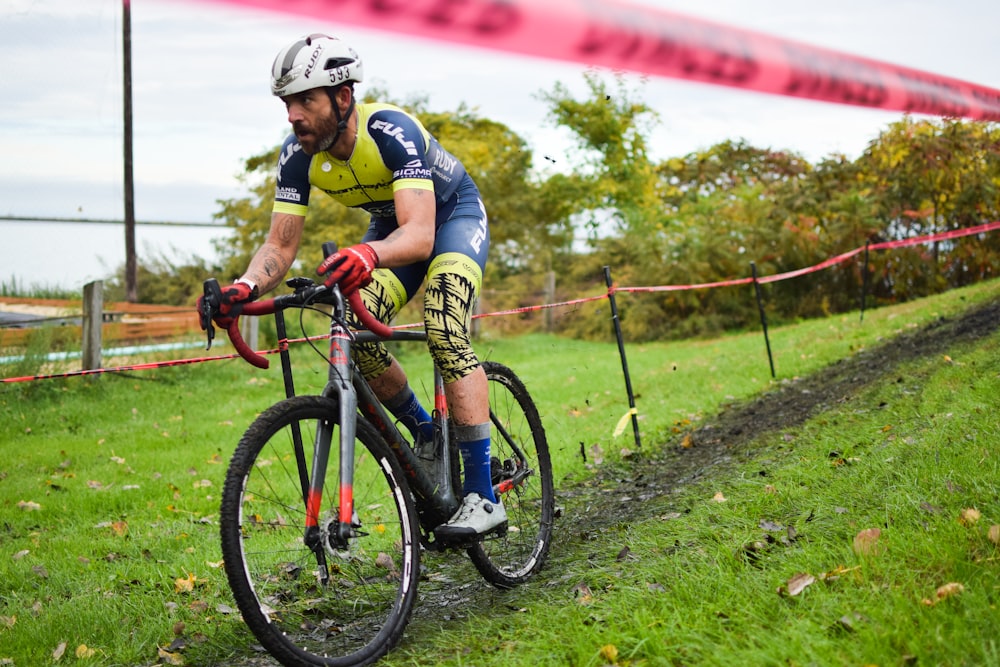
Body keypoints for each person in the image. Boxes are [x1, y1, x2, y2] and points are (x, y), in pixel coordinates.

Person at [203, 34, 502, 542]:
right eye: (286, 104)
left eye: (305, 101)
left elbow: (421, 234)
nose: (293, 115)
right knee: (349, 326)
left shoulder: (389, 130)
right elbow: (281, 243)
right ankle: (426, 430)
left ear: (342, 97)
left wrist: (366, 252)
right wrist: (244, 286)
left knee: (444, 323)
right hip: (392, 227)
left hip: (449, 217)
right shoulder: (297, 155)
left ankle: (483, 495)